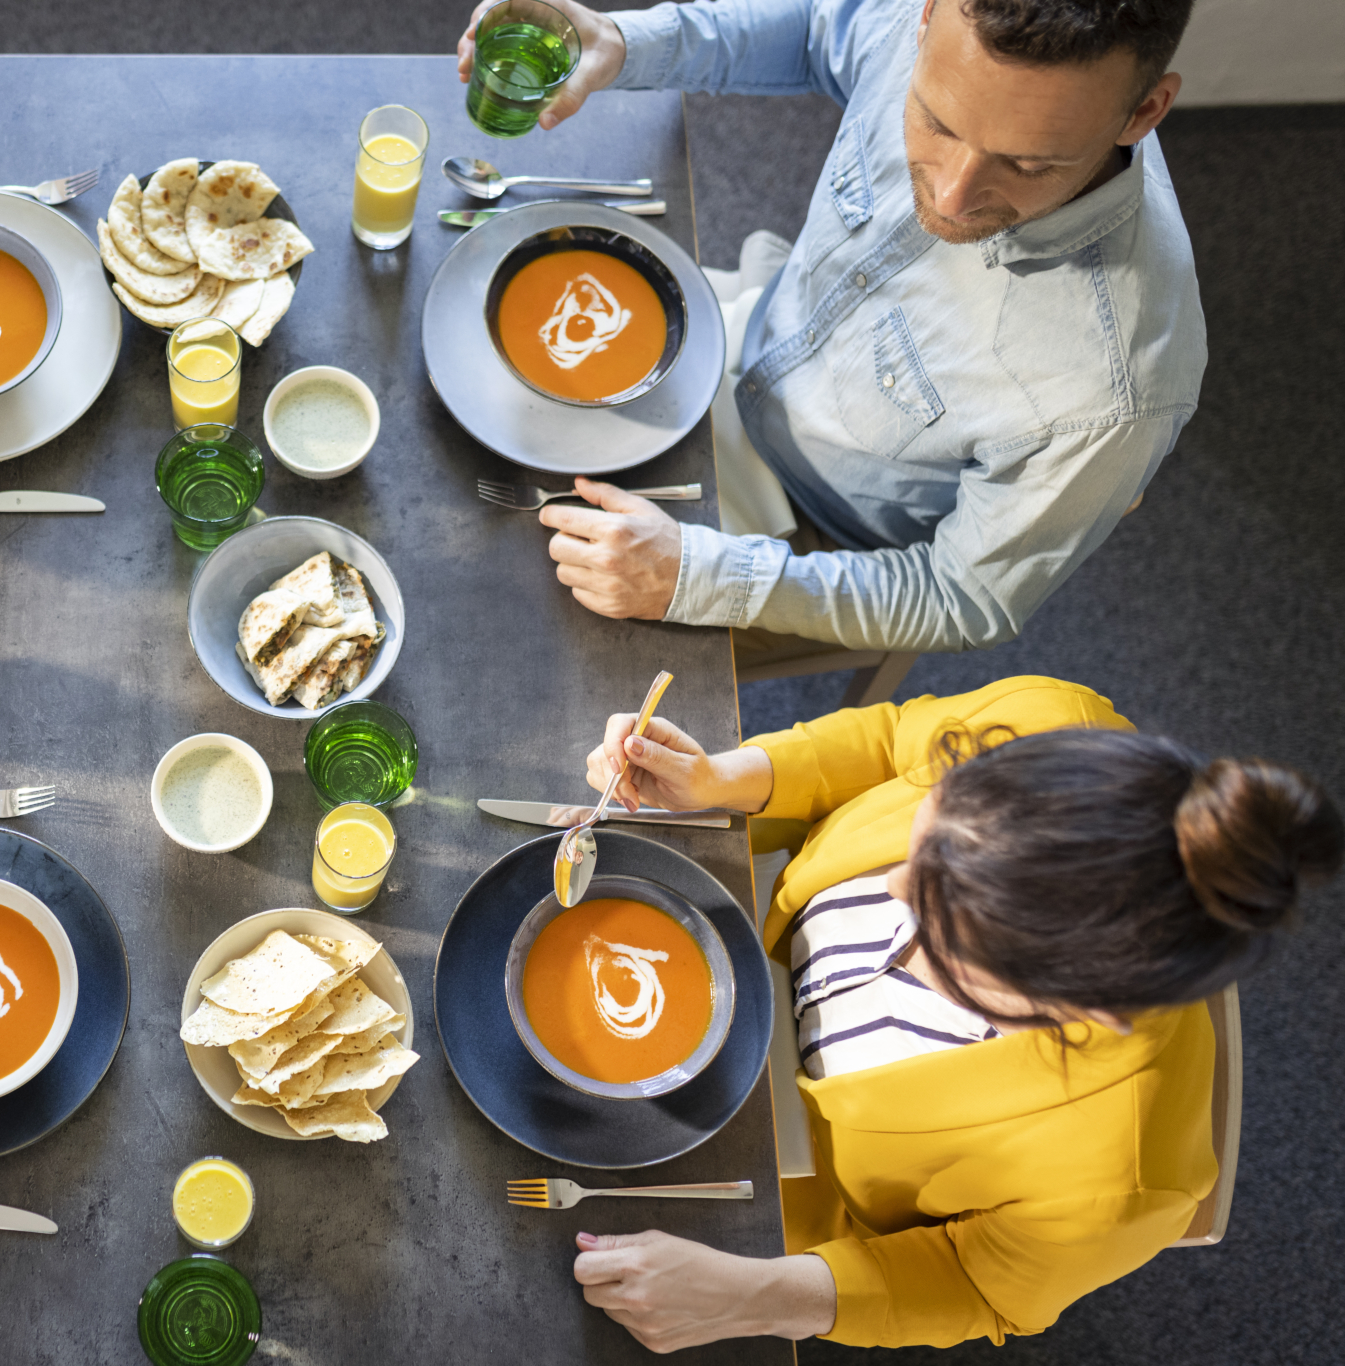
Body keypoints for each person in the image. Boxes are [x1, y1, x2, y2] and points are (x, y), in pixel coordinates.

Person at [561, 676, 1339, 1351]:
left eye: (944, 931)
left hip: (760, 1176)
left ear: (1081, 1012)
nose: (894, 889)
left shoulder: (1121, 1183)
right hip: (738, 901)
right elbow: (890, 738)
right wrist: (724, 777)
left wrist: (756, 1296)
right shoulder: (1055, 718)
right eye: (928, 832)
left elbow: (975, 1284)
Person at [456, 0, 1207, 657]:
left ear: (1145, 111)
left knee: (490, 602)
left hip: (799, 531)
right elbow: (819, 25)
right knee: (451, 402)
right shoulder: (934, 22)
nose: (952, 193)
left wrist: (698, 574)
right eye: (935, 120)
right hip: (735, 331)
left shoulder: (1117, 389)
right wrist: (628, 41)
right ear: (926, 15)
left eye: (1028, 165)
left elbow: (965, 596)